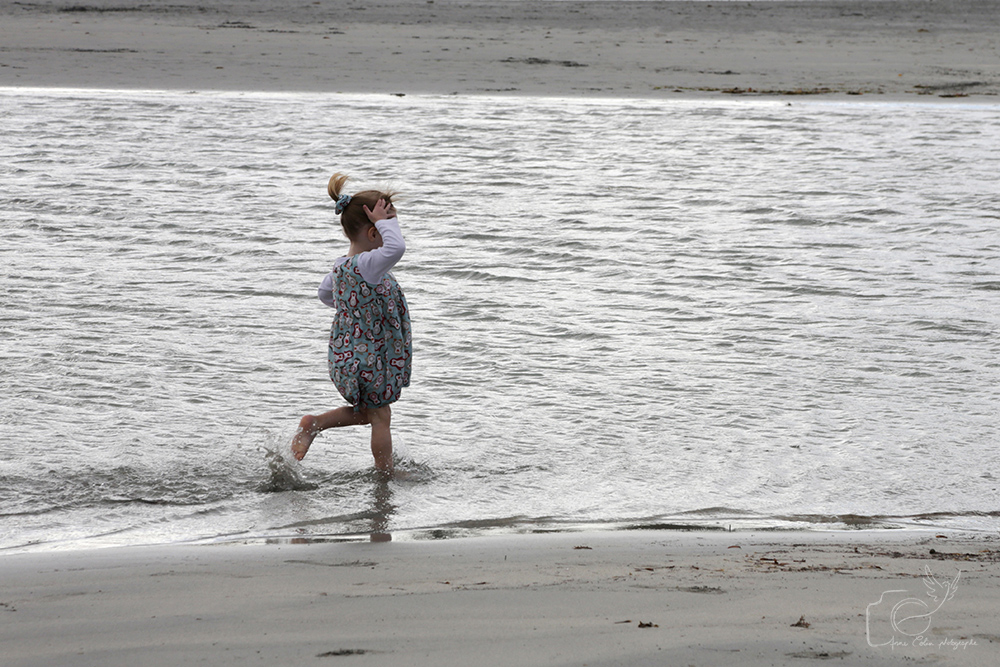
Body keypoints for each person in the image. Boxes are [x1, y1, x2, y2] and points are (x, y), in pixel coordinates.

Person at [291, 173, 412, 473]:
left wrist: (355, 310)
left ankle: (315, 423)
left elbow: (325, 294)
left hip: (350, 353)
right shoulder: (370, 265)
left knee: (371, 414)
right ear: (374, 233)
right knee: (381, 416)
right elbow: (396, 248)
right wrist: (387, 223)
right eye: (389, 225)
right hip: (370, 356)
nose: (393, 231)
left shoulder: (341, 266)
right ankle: (385, 475)